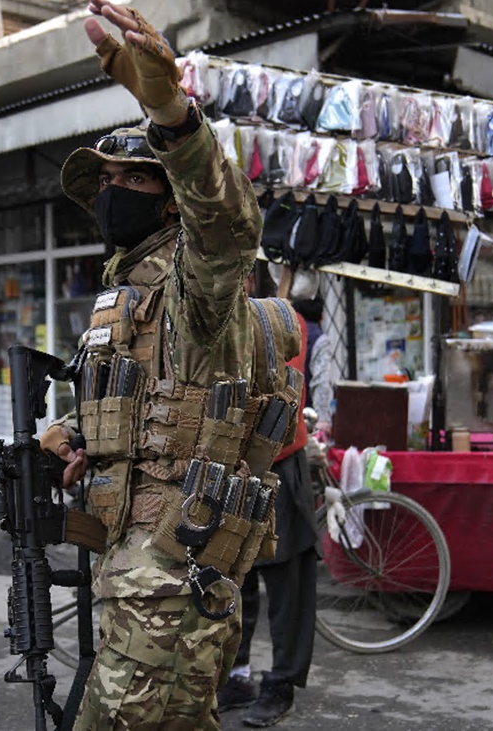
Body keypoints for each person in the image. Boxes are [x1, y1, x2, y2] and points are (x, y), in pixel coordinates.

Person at [39, 0, 299, 729]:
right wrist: (76, 435)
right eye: (106, 183)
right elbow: (142, 407)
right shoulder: (126, 296)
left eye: (133, 179)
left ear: (170, 204)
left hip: (171, 572)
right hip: (135, 561)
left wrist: (177, 125)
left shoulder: (197, 286)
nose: (112, 193)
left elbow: (228, 225)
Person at [217, 307, 317, 728]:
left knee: (285, 583)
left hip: (278, 462)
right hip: (226, 466)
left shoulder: (276, 318)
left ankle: (281, 684)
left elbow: (282, 393)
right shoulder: (204, 318)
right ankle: (236, 676)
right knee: (234, 580)